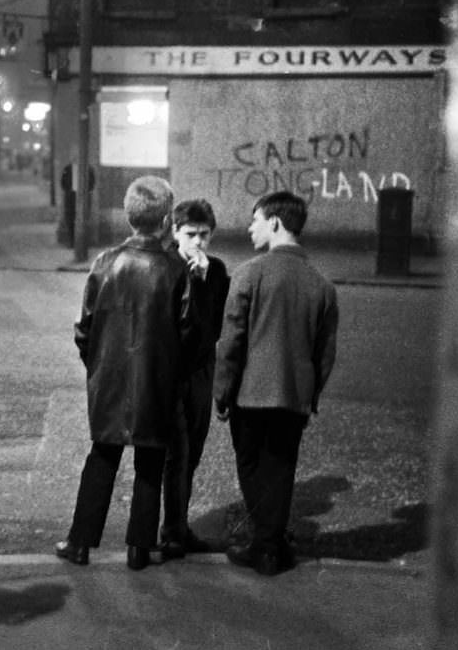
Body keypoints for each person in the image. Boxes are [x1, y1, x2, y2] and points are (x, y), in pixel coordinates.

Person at [54, 175, 198, 571]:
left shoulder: (105, 263)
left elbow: (85, 328)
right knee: (150, 464)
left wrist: (99, 365)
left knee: (102, 457)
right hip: (157, 382)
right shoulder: (175, 269)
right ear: (168, 219)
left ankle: (80, 542)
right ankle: (139, 547)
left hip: (110, 381)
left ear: (129, 214)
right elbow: (188, 333)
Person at [213, 190, 339, 576]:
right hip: (294, 397)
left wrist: (221, 391)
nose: (250, 227)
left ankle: (264, 546)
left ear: (275, 223)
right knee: (282, 468)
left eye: (255, 220)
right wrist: (311, 394)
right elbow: (325, 353)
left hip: (250, 394)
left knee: (251, 465)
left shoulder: (250, 273)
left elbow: (231, 341)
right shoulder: (322, 285)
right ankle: (271, 543)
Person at [160, 198, 230, 559]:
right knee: (177, 453)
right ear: (175, 232)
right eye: (190, 234)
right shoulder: (165, 266)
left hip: (201, 371)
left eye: (204, 234)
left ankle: (178, 524)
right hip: (172, 373)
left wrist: (203, 283)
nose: (198, 242)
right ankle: (172, 531)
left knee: (194, 451)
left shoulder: (216, 271)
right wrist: (192, 283)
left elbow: (214, 327)